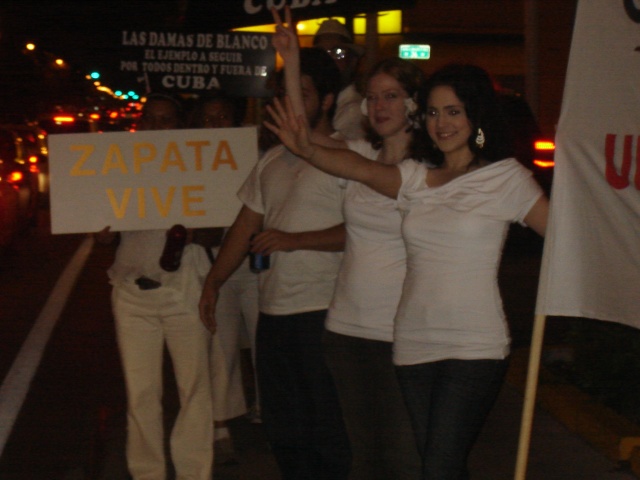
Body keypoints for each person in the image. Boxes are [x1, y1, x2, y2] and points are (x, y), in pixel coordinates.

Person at [264, 63, 549, 479]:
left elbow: (565, 238)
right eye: (433, 113)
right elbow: (356, 168)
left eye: (453, 111)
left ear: (476, 115)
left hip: (473, 345)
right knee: (432, 463)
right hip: (412, 342)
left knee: (438, 466)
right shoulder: (416, 177)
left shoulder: (505, 178)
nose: (442, 123)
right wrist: (306, 149)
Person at [270, 7, 422, 479]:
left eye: (392, 96)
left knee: (402, 457)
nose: (379, 106)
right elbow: (303, 133)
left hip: (401, 333)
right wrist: (292, 61)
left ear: (414, 104)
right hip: (344, 330)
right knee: (362, 456)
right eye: (373, 97)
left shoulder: (426, 175)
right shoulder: (358, 154)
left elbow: (310, 147)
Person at [199, 47, 351, 480]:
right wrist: (213, 282)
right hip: (274, 315)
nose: (289, 105)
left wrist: (293, 240)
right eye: (283, 97)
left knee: (328, 427)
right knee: (285, 430)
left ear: (325, 101)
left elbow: (362, 232)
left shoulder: (351, 156)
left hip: (324, 313)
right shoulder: (271, 161)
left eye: (300, 93)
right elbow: (243, 227)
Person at [96, 92, 214, 479]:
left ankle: (194, 472)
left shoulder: (198, 166)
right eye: (150, 119)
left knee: (195, 391)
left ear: (178, 127)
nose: (157, 126)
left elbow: (223, 223)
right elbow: (106, 235)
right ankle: (147, 473)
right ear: (139, 125)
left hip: (184, 290)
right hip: (131, 292)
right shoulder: (123, 168)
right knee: (141, 394)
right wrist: (102, 233)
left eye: (165, 119)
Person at [189, 91, 261, 461]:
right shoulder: (184, 159)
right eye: (208, 118)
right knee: (220, 347)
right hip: (212, 263)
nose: (215, 125)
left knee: (267, 345)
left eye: (222, 117)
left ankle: (269, 415)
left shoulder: (254, 157)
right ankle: (219, 428)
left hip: (254, 264)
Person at [313, 18, 365, 140]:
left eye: (338, 52)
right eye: (321, 52)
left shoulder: (353, 111)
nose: (328, 59)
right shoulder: (317, 103)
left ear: (352, 61)